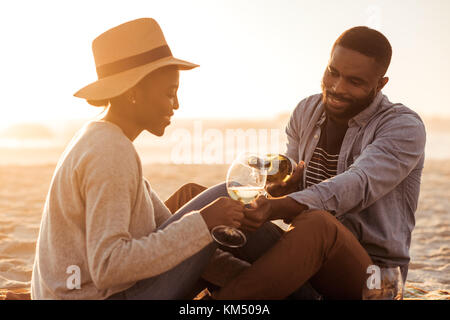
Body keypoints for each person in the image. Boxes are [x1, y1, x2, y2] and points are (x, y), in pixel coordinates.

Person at [30, 18, 250, 300]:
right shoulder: (110, 151)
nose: (177, 105)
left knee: (223, 205)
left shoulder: (103, 138)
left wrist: (247, 277)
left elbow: (180, 244)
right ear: (133, 92)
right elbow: (108, 267)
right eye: (170, 93)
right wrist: (204, 222)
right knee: (222, 194)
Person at [210, 26, 427, 299]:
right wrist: (282, 188)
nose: (337, 88)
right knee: (207, 197)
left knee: (318, 224)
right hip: (307, 258)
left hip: (377, 280)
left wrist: (279, 207)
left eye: (354, 81)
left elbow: (357, 184)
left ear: (380, 84)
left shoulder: (402, 126)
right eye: (332, 73)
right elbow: (291, 171)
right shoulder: (306, 110)